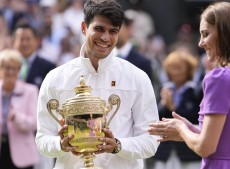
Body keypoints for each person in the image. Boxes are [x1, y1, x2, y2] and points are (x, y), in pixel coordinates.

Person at [148, 2, 230, 169]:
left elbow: (205, 148)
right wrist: (190, 131)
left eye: (206, 34)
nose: (200, 43)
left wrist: (181, 128)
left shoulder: (220, 77)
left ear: (226, 34)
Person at [35, 0, 159, 169]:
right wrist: (60, 144)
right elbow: (42, 139)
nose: (105, 37)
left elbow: (151, 140)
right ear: (84, 27)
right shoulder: (56, 78)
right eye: (99, 29)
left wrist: (117, 145)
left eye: (113, 31)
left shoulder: (137, 78)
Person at [153, 51, 202, 169]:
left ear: (188, 70)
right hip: (166, 151)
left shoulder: (195, 92)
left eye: (179, 68)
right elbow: (156, 117)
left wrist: (173, 108)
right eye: (172, 68)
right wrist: (164, 104)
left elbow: (196, 118)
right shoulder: (164, 89)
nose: (175, 72)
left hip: (188, 151)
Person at [0, 49, 39, 169]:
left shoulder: (30, 91)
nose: (10, 72)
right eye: (6, 67)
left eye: (14, 68)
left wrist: (17, 118)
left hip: (22, 153)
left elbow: (34, 123)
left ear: (19, 70)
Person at [12, 23, 56, 89]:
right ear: (14, 42)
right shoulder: (6, 65)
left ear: (36, 41)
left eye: (28, 39)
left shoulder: (48, 67)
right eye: (21, 39)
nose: (24, 43)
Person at [116, 11, 153, 80]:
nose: (114, 31)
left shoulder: (143, 62)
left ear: (129, 28)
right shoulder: (103, 58)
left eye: (118, 27)